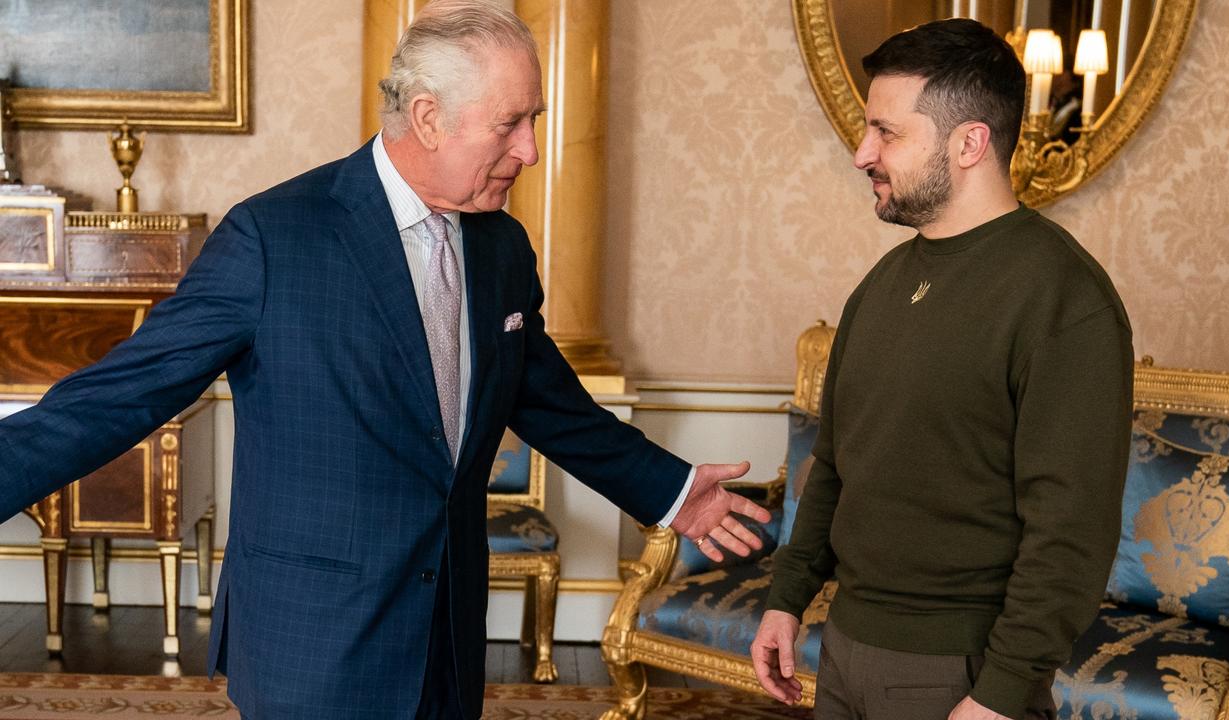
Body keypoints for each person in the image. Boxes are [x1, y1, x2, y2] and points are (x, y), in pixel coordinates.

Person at [0, 2, 770, 718]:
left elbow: (543, 398)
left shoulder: (500, 244)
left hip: (446, 631)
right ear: (428, 118)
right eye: (511, 124)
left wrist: (671, 491)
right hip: (316, 640)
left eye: (533, 121)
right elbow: (118, 396)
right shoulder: (274, 239)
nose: (532, 150)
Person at [750, 19, 1133, 720]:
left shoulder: (1063, 297)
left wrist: (1000, 693)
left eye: (886, 132)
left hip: (961, 672)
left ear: (969, 142)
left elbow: (1070, 531)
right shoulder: (882, 283)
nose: (862, 151)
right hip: (844, 650)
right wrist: (786, 599)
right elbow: (837, 462)